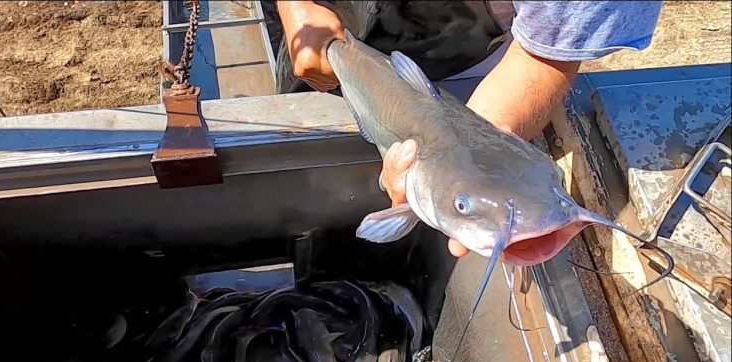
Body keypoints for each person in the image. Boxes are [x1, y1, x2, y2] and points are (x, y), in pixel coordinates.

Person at [276, 1, 663, 257]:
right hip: (321, 25)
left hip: (463, 46)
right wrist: (295, 8)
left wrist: (496, 134)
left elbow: (543, 56)